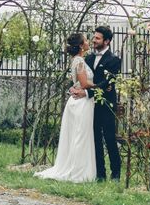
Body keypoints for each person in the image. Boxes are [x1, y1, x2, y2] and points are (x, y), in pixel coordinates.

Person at [35, 32, 97, 183]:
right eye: (86, 40)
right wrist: (101, 85)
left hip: (78, 101)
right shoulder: (80, 62)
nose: (89, 42)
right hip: (81, 103)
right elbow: (83, 84)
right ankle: (78, 171)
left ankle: (78, 168)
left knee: (78, 135)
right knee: (80, 136)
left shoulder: (77, 60)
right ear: (82, 45)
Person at [72, 26, 122, 181]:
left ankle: (116, 174)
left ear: (107, 41)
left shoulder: (114, 60)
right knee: (94, 140)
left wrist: (86, 92)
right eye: (93, 37)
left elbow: (107, 84)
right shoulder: (88, 58)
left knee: (110, 139)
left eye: (98, 38)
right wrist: (74, 88)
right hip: (89, 106)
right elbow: (83, 79)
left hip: (106, 104)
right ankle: (100, 173)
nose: (94, 40)